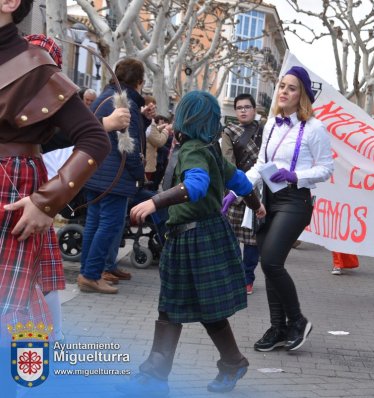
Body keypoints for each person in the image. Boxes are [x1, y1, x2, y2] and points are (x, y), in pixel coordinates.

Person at [119, 91, 265, 395]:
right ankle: (225, 364)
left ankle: (159, 377)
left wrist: (155, 203)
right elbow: (239, 179)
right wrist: (255, 203)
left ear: (187, 117)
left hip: (193, 238)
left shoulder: (195, 150)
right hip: (204, 236)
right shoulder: (209, 148)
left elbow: (196, 186)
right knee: (192, 310)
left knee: (178, 309)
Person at [1, 0, 110, 340]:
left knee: (9, 330)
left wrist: (46, 202)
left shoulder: (33, 67)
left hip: (9, 198)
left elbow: (95, 139)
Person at [234, 66, 334, 352]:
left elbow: (326, 168)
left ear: (301, 94)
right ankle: (278, 328)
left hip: (295, 201)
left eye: (291, 88)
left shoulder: (315, 128)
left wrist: (295, 176)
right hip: (269, 199)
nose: (284, 92)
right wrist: (236, 189)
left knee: (272, 262)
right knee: (269, 264)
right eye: (282, 86)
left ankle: (298, 321)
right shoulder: (271, 123)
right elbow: (259, 165)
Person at [78, 58, 148, 293]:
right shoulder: (124, 103)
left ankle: (87, 271)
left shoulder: (102, 97)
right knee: (108, 225)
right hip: (115, 178)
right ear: (139, 81)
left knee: (94, 223)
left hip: (95, 171)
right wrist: (140, 174)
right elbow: (129, 146)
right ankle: (92, 275)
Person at [221, 93, 263, 295]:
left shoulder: (264, 130)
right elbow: (228, 162)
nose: (243, 110)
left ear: (254, 110)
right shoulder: (229, 132)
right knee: (233, 237)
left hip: (259, 191)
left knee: (252, 241)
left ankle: (248, 277)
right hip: (236, 190)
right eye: (239, 108)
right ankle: (236, 275)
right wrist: (234, 186)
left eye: (247, 107)